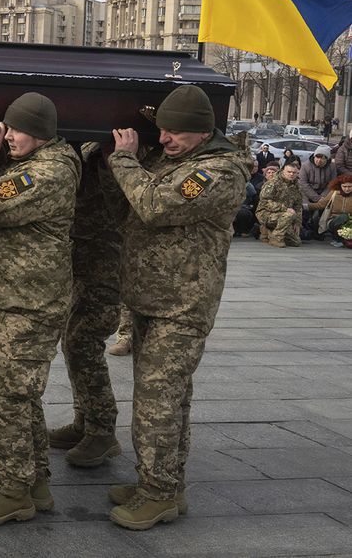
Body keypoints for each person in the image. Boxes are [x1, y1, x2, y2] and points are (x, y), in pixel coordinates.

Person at [105, 85, 251, 531]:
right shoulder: (178, 158)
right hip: (151, 298)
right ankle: (164, 481)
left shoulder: (217, 172)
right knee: (169, 399)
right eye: (161, 131)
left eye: (174, 133)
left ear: (203, 132)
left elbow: (153, 205)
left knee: (157, 401)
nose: (164, 139)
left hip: (182, 305)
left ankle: (159, 494)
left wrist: (126, 159)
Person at [0, 93, 80, 526]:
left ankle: (13, 491)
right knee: (21, 394)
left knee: (6, 396)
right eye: (6, 127)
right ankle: (36, 481)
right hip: (15, 297)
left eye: (16, 129)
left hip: (29, 305)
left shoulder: (45, 173)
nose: (7, 135)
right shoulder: (39, 164)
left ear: (42, 133)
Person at [47, 142, 127, 469]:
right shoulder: (86, 146)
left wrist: (113, 161)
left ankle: (102, 430)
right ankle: (85, 420)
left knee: (84, 342)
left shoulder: (118, 149)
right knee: (73, 339)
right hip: (82, 255)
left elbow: (123, 202)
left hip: (106, 259)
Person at [256, 161, 303, 247]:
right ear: (283, 171)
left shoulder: (297, 186)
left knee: (296, 242)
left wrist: (297, 222)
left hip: (285, 216)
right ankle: (276, 238)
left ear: (297, 173)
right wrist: (284, 209)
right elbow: (265, 202)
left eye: (294, 172)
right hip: (266, 213)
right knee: (289, 215)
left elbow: (298, 205)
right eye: (289, 172)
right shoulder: (273, 183)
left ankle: (269, 232)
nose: (291, 174)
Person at [298, 145, 336, 236]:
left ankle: (320, 230)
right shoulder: (305, 165)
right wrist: (317, 198)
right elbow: (303, 183)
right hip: (307, 192)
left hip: (324, 193)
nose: (319, 160)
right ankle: (305, 228)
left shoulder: (332, 167)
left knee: (325, 207)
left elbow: (332, 183)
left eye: (322, 158)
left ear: (327, 159)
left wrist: (323, 196)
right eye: (317, 157)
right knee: (305, 207)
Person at [315, 175, 352, 244]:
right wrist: (305, 206)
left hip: (350, 223)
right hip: (333, 221)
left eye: (349, 187)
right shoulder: (334, 193)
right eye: (344, 186)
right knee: (343, 217)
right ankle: (336, 238)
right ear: (340, 186)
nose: (347, 189)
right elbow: (321, 204)